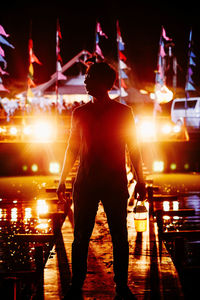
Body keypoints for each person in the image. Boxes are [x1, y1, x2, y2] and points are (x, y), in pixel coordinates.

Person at [57, 61, 146, 299]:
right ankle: (77, 284)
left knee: (119, 235)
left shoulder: (123, 112)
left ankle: (121, 284)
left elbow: (134, 148)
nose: (85, 82)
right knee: (80, 237)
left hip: (114, 183)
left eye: (89, 78)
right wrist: (62, 179)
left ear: (104, 83)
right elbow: (71, 148)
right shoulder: (79, 113)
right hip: (85, 182)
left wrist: (141, 179)